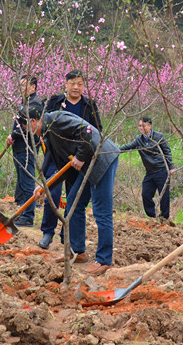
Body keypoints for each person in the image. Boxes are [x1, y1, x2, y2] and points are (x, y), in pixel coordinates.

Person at [11, 104, 118, 276]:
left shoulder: (57, 120)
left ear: (33, 121)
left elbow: (87, 131)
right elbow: (62, 168)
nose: (26, 131)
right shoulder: (48, 134)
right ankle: (77, 251)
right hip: (88, 164)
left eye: (25, 127)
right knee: (73, 205)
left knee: (101, 211)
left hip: (102, 158)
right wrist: (46, 187)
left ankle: (104, 260)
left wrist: (80, 156)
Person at [37, 69, 103, 249]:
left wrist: (83, 155)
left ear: (83, 86)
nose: (76, 87)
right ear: (66, 84)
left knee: (74, 197)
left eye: (80, 84)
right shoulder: (55, 102)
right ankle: (48, 232)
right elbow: (42, 125)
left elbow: (97, 131)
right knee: (52, 192)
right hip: (55, 155)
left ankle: (66, 235)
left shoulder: (89, 106)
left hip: (79, 159)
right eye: (72, 83)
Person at [119, 116, 175, 221]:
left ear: (149, 126)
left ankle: (164, 218)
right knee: (146, 195)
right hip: (149, 172)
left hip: (161, 170)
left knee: (164, 196)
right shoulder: (139, 140)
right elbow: (127, 146)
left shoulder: (159, 137)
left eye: (143, 125)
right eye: (139, 125)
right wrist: (114, 150)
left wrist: (171, 167)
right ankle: (152, 217)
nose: (141, 128)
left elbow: (167, 152)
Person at [11, 75, 44, 227]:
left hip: (27, 148)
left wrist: (12, 134)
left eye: (25, 84)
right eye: (21, 84)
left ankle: (28, 216)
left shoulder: (35, 105)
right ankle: (23, 212)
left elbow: (29, 128)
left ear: (33, 87)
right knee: (22, 183)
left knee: (27, 182)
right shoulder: (25, 103)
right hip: (19, 147)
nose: (22, 87)